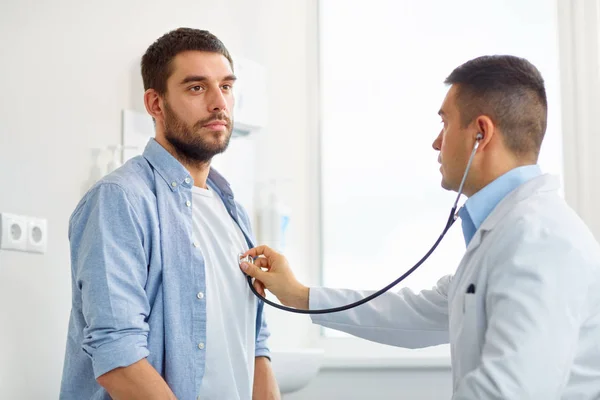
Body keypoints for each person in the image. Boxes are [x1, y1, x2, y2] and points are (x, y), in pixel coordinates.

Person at [240, 55, 600, 399]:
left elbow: (511, 391)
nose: (436, 142)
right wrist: (299, 295)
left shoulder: (540, 240)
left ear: (481, 134)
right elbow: (414, 313)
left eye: (444, 122)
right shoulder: (507, 232)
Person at [60, 28, 280, 400]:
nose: (219, 104)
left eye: (226, 86)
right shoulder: (120, 199)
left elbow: (255, 342)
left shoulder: (232, 209)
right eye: (197, 88)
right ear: (156, 104)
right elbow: (119, 358)